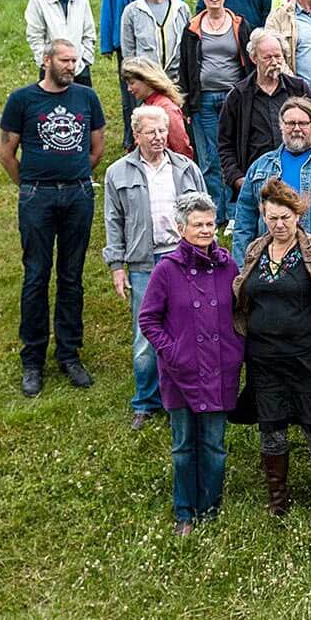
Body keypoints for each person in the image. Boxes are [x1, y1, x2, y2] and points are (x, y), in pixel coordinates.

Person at [232, 178, 311, 526]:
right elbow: (244, 295)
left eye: (285, 217)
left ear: (297, 215)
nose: (279, 225)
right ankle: (277, 500)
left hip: (308, 357)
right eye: (272, 218)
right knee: (271, 430)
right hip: (264, 358)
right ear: (263, 216)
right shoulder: (256, 249)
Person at [0, 40, 105, 396]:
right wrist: (30, 184)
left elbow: (97, 147)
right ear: (47, 61)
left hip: (77, 194)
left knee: (72, 277)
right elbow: (7, 153)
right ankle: (33, 359)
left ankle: (69, 353)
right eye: (64, 60)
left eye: (74, 60)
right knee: (36, 277)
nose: (71, 65)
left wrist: (73, 175)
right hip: (37, 197)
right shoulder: (22, 100)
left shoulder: (86, 98)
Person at [137, 191, 242, 533]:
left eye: (210, 223)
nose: (205, 230)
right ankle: (185, 512)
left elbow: (241, 314)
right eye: (197, 224)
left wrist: (236, 349)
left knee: (214, 444)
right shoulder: (166, 270)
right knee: (183, 446)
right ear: (181, 228)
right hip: (181, 373)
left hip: (220, 370)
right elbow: (148, 319)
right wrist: (173, 351)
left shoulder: (229, 266)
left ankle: (210, 509)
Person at [104, 104, 207, 428]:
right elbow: (113, 221)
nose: (159, 137)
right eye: (151, 132)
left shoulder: (186, 168)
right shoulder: (117, 173)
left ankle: (188, 395)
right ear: (136, 135)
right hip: (144, 264)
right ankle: (146, 402)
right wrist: (117, 266)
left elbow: (204, 213)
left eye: (162, 131)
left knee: (190, 330)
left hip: (183, 259)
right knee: (146, 335)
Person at [230, 97, 311, 274]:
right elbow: (243, 221)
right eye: (291, 123)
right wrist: (241, 265)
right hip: (269, 263)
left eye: (303, 123)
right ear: (281, 126)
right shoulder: (260, 166)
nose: (297, 129)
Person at [176, 0, 249, 205]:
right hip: (204, 100)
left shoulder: (239, 24)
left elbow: (248, 61)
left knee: (234, 151)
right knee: (209, 156)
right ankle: (214, 206)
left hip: (233, 98)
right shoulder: (192, 29)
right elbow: (185, 67)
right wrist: (186, 104)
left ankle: (234, 208)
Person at [217, 29, 311, 206]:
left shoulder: (299, 89)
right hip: (256, 181)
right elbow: (225, 144)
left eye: (278, 56)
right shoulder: (238, 96)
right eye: (268, 57)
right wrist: (237, 179)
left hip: (298, 178)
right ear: (254, 58)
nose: (274, 62)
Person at [117, 0, 190, 139]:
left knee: (174, 127)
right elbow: (128, 53)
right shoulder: (132, 12)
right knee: (149, 129)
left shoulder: (181, 9)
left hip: (175, 79)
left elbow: (189, 47)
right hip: (146, 82)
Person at [25, 0, 95, 85]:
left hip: (79, 69)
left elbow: (89, 33)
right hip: (51, 70)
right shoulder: (38, 1)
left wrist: (85, 60)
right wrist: (45, 63)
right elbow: (35, 37)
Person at [120, 58, 195, 161]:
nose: (129, 89)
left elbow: (181, 149)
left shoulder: (167, 108)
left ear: (146, 80)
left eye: (132, 83)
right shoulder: (146, 104)